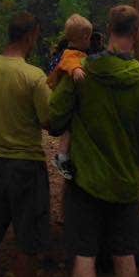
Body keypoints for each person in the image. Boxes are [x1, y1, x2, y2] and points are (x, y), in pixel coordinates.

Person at [49, 4, 139, 277]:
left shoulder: (81, 73)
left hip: (84, 182)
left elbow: (53, 119)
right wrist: (133, 154)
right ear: (137, 33)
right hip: (125, 181)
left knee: (84, 256)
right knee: (125, 255)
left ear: (108, 28)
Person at [0, 12, 51, 277]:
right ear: (29, 36)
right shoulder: (33, 76)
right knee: (27, 240)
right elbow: (48, 121)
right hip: (27, 163)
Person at [47, 12, 92, 179]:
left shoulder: (73, 52)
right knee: (69, 129)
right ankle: (61, 156)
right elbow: (69, 63)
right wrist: (77, 70)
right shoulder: (71, 54)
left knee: (70, 129)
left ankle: (64, 155)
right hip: (66, 100)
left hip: (68, 98)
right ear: (85, 37)